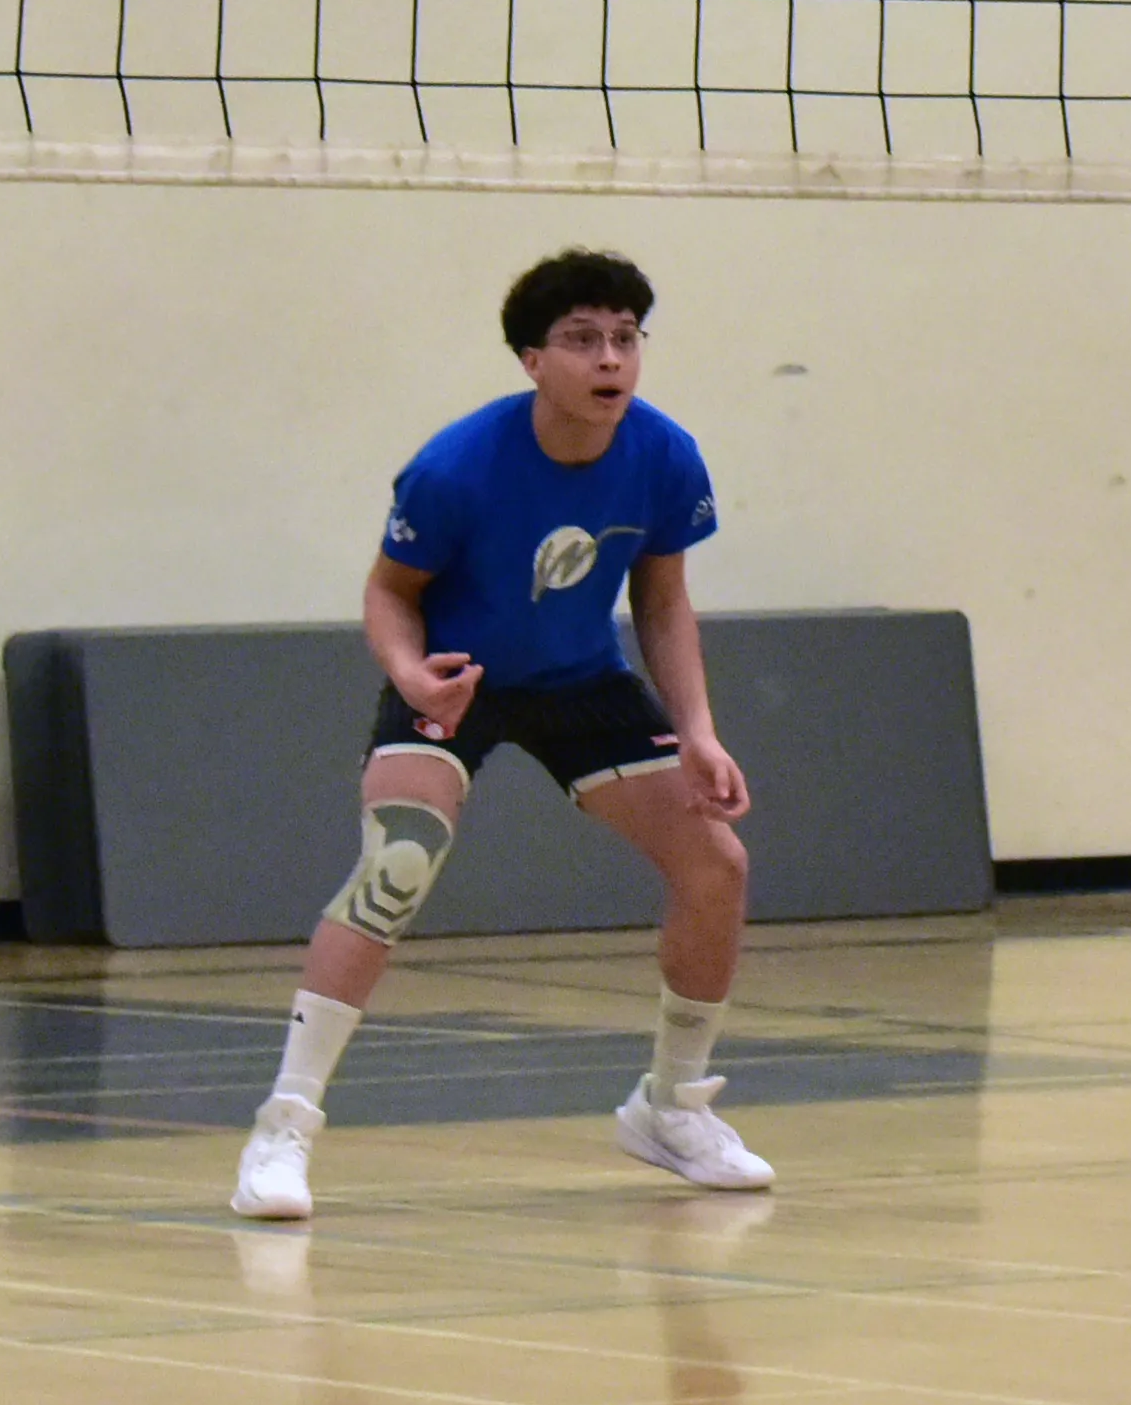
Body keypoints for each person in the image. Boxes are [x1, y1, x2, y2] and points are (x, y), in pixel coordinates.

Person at [233, 252, 769, 1219]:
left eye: (625, 338)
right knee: (400, 862)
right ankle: (284, 1127)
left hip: (582, 683)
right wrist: (407, 673)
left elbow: (663, 599)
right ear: (532, 359)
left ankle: (671, 1107)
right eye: (581, 340)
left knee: (717, 863)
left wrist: (697, 729)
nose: (610, 359)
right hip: (459, 677)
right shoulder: (455, 469)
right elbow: (390, 594)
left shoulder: (664, 454)